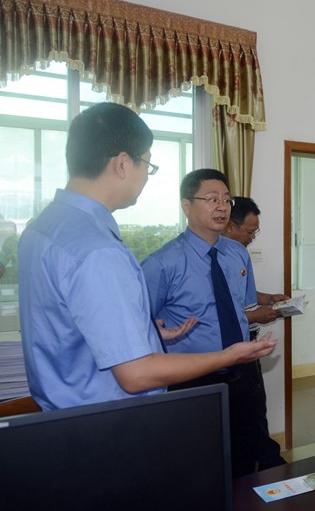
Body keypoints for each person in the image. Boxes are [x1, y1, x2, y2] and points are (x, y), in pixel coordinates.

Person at [18, 103, 276, 411]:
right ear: (123, 164)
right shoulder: (99, 250)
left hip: (63, 416)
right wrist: (230, 355)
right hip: (109, 423)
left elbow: (69, 330)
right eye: (147, 165)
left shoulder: (43, 227)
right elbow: (135, 375)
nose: (146, 177)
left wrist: (150, 335)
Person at [142, 169, 284, 477]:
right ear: (186, 206)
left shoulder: (236, 254)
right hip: (192, 380)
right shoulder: (162, 263)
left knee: (245, 461)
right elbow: (140, 325)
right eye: (211, 199)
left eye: (226, 199)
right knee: (198, 466)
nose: (221, 206)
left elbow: (238, 307)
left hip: (241, 374)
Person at [223, 195, 288, 470]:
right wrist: (255, 316)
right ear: (229, 226)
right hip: (227, 351)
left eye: (256, 231)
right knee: (240, 415)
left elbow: (243, 296)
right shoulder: (214, 256)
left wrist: (268, 298)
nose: (253, 237)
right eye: (250, 231)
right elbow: (217, 313)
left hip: (247, 344)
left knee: (255, 408)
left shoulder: (239, 253)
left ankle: (268, 461)